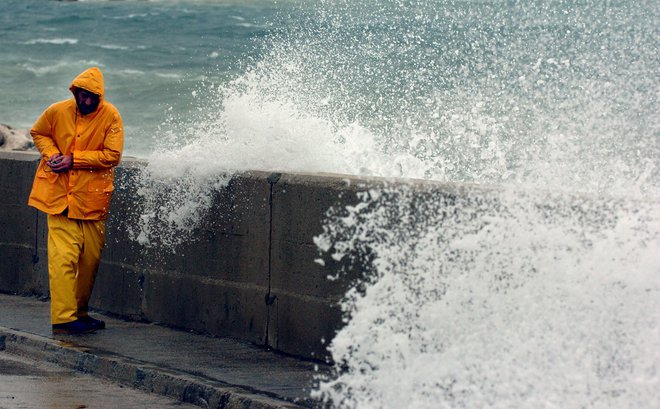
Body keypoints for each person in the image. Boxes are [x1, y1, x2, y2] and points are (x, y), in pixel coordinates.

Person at [28, 67, 124, 334]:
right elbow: (39, 133)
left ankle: (78, 313)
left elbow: (113, 155)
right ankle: (63, 318)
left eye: (91, 96)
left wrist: (74, 159)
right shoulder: (57, 111)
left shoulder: (111, 116)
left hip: (92, 201)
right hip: (58, 198)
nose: (85, 101)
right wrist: (51, 155)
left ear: (99, 97)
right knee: (62, 259)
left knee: (89, 261)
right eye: (81, 95)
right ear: (75, 92)